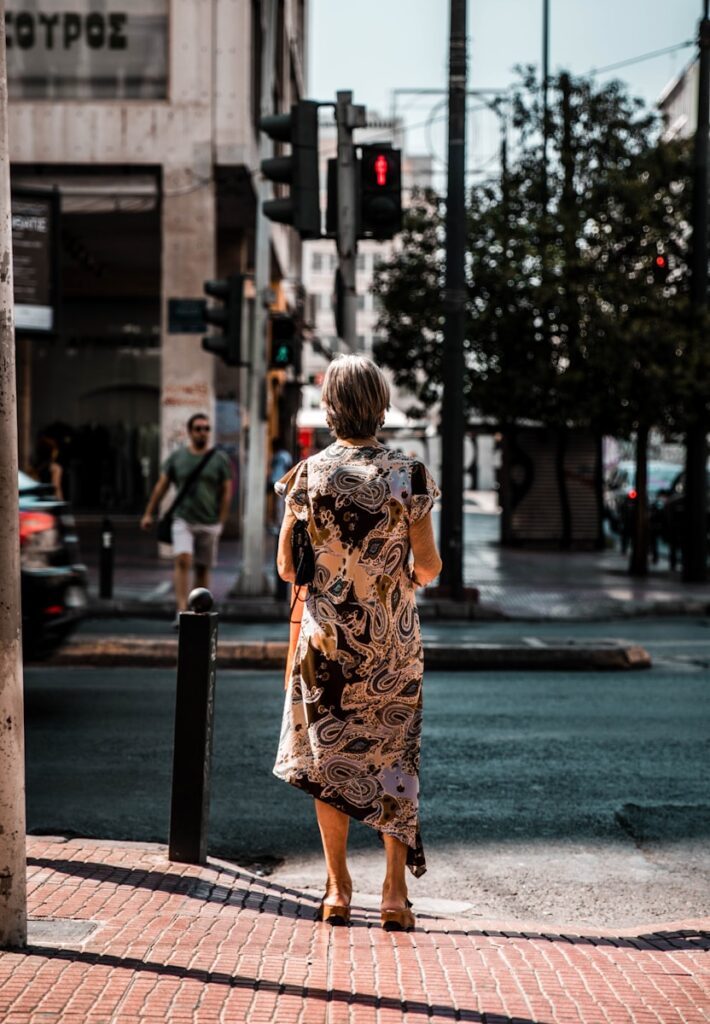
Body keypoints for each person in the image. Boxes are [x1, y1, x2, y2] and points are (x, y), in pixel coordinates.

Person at [274, 355, 442, 931]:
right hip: (393, 646)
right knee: (396, 762)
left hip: (327, 649)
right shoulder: (408, 475)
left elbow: (285, 569)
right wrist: (396, 578)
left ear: (329, 408)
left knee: (330, 763)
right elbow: (429, 565)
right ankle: (394, 895)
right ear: (382, 405)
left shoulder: (306, 478)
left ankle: (338, 891)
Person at [141, 413, 232, 620]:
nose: (203, 432)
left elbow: (227, 492)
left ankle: (198, 611)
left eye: (206, 429)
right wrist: (148, 513)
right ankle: (181, 610)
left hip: (209, 521)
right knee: (183, 560)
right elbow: (160, 487)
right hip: (183, 519)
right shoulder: (178, 458)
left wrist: (221, 521)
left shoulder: (219, 459)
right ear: (190, 432)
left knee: (202, 567)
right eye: (199, 428)